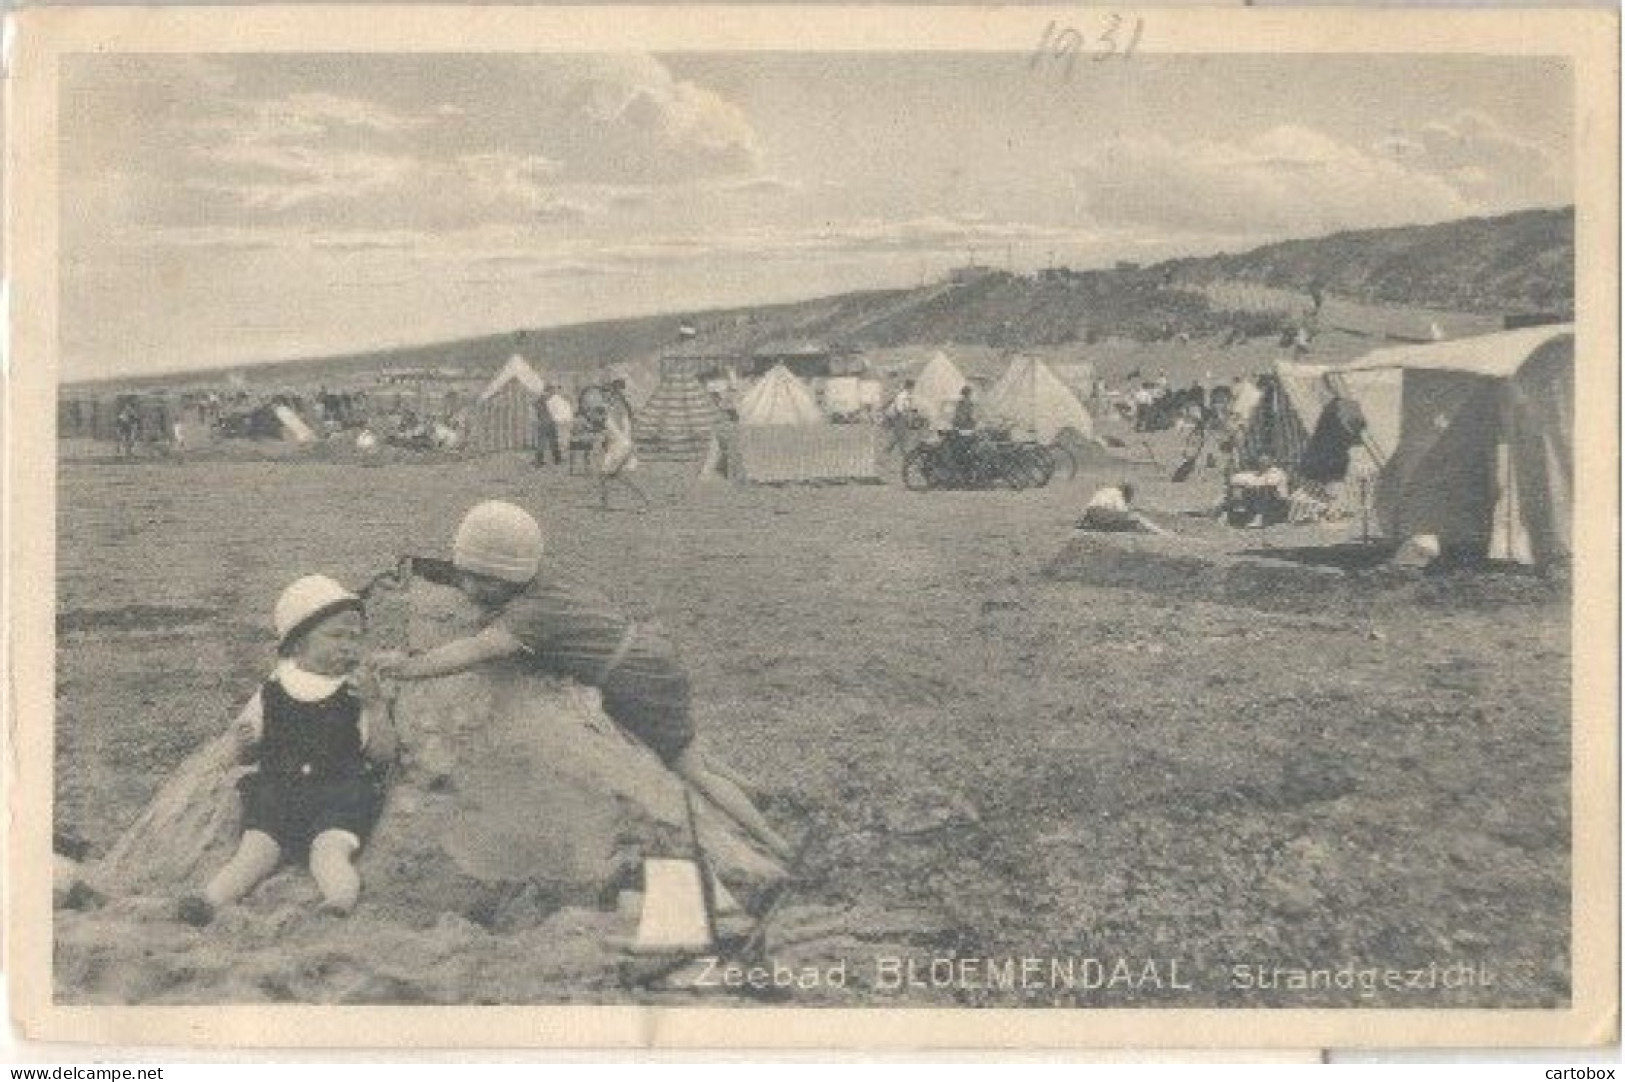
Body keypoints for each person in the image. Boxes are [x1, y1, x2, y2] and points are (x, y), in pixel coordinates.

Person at [374, 501, 793, 861]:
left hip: (634, 679)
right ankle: (757, 791)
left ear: (504, 580)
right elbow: (484, 575)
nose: (466, 587)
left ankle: (774, 843)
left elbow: (475, 650)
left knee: (686, 767)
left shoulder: (529, 616)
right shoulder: (544, 583)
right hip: (649, 655)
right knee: (684, 744)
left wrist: (410, 667)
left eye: (477, 580)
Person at [178, 575, 396, 925]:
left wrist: (375, 707)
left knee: (328, 853)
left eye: (355, 638)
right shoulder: (273, 690)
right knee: (254, 852)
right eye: (336, 635)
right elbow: (243, 745)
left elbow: (383, 755)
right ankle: (210, 901)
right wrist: (239, 747)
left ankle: (339, 899)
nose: (348, 646)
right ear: (298, 644)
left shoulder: (357, 691)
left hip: (338, 794)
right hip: (279, 793)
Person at [597, 399, 650, 513]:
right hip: (615, 448)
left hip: (621, 448)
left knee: (620, 476)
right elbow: (608, 437)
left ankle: (644, 499)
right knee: (606, 475)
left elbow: (624, 437)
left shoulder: (620, 420)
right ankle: (606, 502)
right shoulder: (611, 419)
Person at [1077, 482, 1170, 535]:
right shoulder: (1117, 493)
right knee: (1137, 517)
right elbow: (1122, 510)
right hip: (1103, 513)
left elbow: (1089, 508)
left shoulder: (1104, 491)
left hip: (1093, 515)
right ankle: (1161, 532)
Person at [533, 387, 562, 467]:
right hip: (545, 423)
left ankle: (556, 459)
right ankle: (540, 460)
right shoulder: (541, 401)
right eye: (550, 392)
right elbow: (539, 410)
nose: (551, 394)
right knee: (544, 442)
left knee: (552, 442)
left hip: (547, 423)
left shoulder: (547, 400)